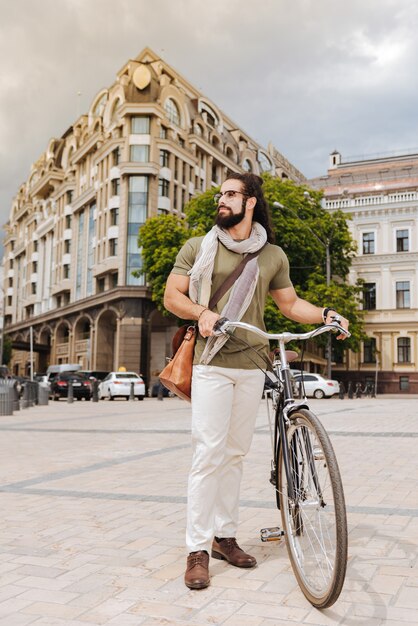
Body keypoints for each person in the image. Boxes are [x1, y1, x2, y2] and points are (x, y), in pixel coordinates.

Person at [164, 172, 349, 590]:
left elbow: (290, 304)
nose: (222, 201)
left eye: (230, 194)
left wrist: (325, 314)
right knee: (208, 453)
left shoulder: (273, 255)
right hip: (211, 363)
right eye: (221, 195)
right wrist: (201, 313)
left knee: (234, 454)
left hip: (251, 364)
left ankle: (224, 537)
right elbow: (171, 296)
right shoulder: (199, 247)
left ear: (250, 202)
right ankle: (196, 548)